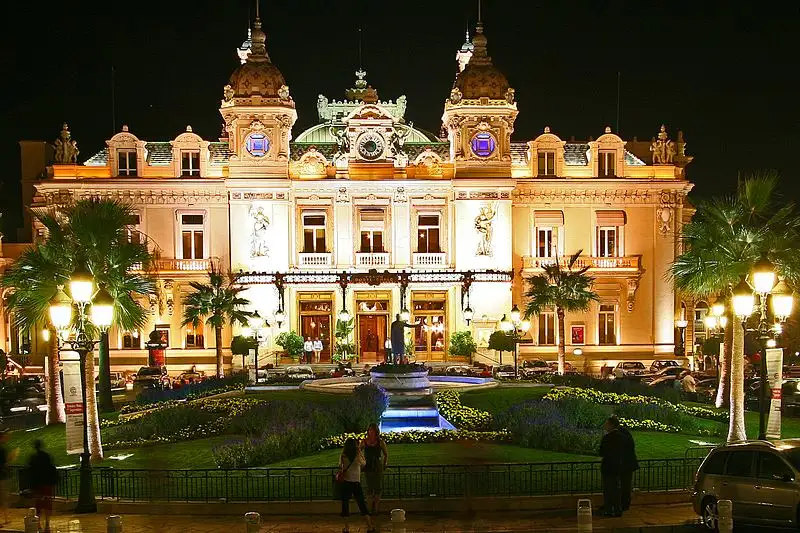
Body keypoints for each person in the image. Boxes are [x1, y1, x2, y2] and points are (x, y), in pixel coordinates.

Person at [337, 437, 374, 533]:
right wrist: (360, 452)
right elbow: (364, 463)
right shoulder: (358, 456)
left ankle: (346, 528)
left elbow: (340, 466)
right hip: (356, 483)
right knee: (362, 504)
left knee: (345, 505)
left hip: (346, 482)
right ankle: (369, 527)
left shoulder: (343, 456)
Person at [27, 439, 58, 533]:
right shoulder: (46, 456)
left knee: (38, 505)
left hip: (37, 484)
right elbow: (51, 467)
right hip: (47, 483)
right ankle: (47, 525)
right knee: (47, 504)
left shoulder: (33, 458)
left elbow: (30, 471)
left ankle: (39, 525)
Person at [599, 416, 625, 517]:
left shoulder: (607, 438)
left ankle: (609, 509)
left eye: (606, 423)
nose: (605, 425)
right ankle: (618, 509)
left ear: (611, 425)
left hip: (608, 467)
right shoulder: (621, 437)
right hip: (617, 466)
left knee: (608, 489)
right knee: (616, 489)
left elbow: (602, 452)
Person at [360, 423, 389, 516]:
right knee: (369, 486)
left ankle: (376, 506)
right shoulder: (364, 441)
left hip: (377, 466)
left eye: (372, 430)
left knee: (377, 486)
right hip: (367, 465)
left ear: (376, 431)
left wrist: (384, 464)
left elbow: (385, 454)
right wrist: (362, 462)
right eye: (369, 430)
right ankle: (369, 506)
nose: (370, 432)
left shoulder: (380, 442)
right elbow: (358, 451)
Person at [618, 423, 639, 512]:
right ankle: (624, 503)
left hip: (625, 465)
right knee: (626, 484)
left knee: (625, 485)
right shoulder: (627, 436)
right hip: (628, 464)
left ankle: (624, 504)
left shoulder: (622, 437)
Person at [0, 431, 14, 526]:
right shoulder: (2, 450)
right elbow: (4, 463)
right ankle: (5, 519)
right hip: (2, 477)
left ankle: (5, 519)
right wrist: (11, 457)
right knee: (3, 499)